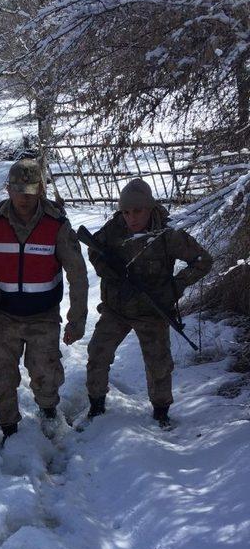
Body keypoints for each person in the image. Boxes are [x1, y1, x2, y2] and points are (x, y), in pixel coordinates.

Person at [86, 177, 213, 427]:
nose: (131, 218)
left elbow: (203, 261)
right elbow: (93, 249)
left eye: (137, 211)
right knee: (97, 354)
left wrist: (175, 286)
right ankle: (96, 406)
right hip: (117, 309)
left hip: (153, 310)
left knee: (159, 364)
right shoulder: (114, 229)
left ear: (151, 208)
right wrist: (108, 270)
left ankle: (161, 412)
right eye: (125, 212)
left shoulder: (168, 234)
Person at [0, 155, 88, 439]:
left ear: (40, 190)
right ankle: (8, 426)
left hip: (43, 316)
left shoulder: (56, 226)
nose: (24, 198)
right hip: (3, 316)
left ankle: (49, 410)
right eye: (18, 191)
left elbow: (77, 274)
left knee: (45, 373)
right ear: (8, 190)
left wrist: (77, 319)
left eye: (30, 192)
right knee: (3, 376)